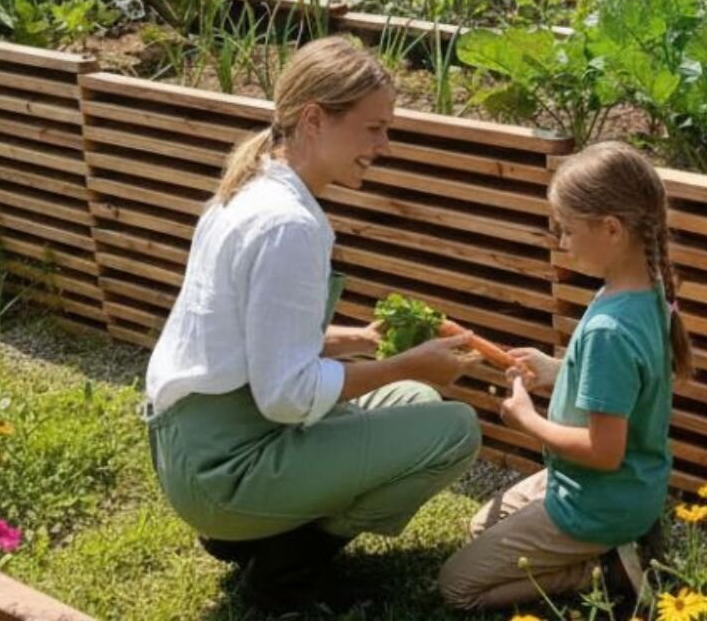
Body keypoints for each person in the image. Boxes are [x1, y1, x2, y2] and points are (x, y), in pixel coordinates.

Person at [143, 37, 482, 614]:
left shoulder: (248, 190)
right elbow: (285, 396)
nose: (384, 146)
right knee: (455, 430)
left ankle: (256, 532)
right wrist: (406, 361)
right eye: (374, 128)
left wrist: (363, 342)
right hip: (226, 468)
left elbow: (246, 340)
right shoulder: (289, 226)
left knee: (416, 398)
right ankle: (285, 568)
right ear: (314, 119)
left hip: (192, 447)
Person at [438, 140, 687, 612]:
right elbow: (626, 388)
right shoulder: (647, 292)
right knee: (479, 528)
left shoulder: (610, 331)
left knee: (458, 587)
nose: (562, 243)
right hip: (623, 489)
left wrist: (525, 419)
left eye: (568, 231)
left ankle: (604, 570)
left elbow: (603, 451)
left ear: (611, 229)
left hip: (598, 501)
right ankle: (619, 546)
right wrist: (556, 371)